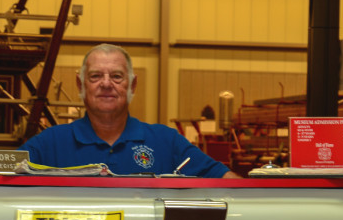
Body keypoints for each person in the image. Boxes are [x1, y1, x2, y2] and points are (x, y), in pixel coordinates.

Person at [18, 44, 237, 178]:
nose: (106, 84)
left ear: (132, 85)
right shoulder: (49, 144)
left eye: (116, 76)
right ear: (80, 85)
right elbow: (1, 176)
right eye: (95, 76)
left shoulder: (167, 142)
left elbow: (224, 179)